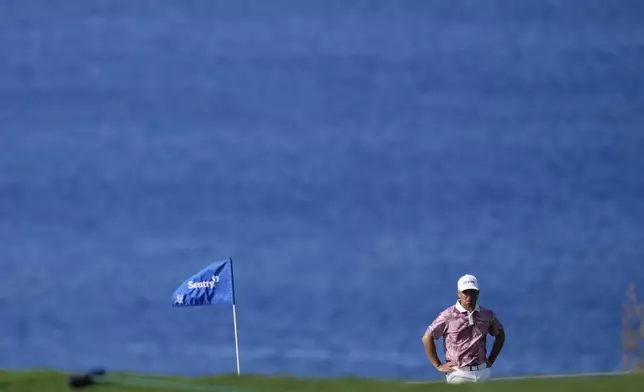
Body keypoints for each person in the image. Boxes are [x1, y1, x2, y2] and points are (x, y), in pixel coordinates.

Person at [421, 274, 505, 384]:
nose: (469, 296)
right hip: (458, 374)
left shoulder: (487, 315)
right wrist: (438, 365)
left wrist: (491, 360)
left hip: (483, 372)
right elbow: (427, 337)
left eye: (472, 292)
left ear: (478, 293)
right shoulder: (448, 315)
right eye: (465, 292)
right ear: (458, 294)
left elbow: (500, 334)